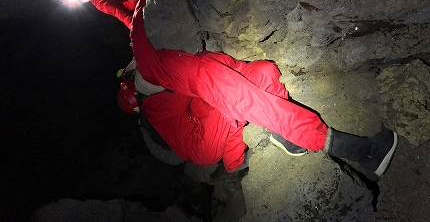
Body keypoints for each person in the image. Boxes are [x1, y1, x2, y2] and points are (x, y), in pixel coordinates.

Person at [128, 0, 398, 177]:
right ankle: (365, 152)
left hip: (206, 97)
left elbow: (229, 74)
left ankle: (287, 138)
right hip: (207, 110)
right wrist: (138, 8)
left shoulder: (174, 67)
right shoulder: (158, 70)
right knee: (254, 105)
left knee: (266, 72)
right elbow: (135, 33)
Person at [117, 56, 306, 173]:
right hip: (199, 146)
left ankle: (275, 109)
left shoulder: (157, 95)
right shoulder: (151, 106)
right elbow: (181, 99)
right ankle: (235, 161)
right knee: (229, 102)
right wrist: (188, 65)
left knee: (264, 71)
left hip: (199, 119)